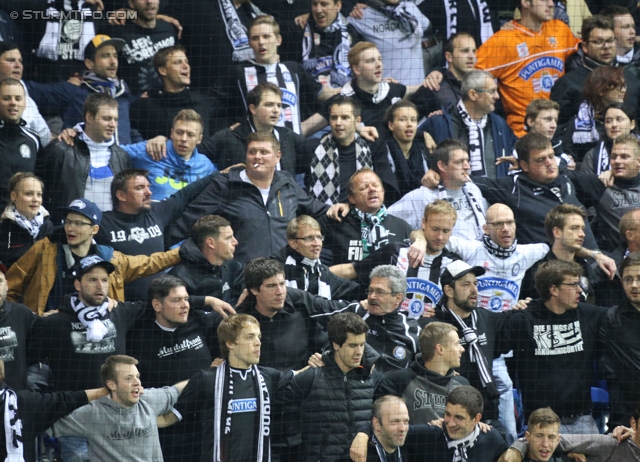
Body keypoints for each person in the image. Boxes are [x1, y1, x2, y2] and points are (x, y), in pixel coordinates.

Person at [167, 132, 346, 262]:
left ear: (277, 156)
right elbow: (189, 220)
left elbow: (316, 208)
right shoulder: (225, 184)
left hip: (285, 277)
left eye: (263, 152)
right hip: (242, 277)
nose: (257, 157)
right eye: (252, 152)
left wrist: (339, 207)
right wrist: (160, 246)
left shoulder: (287, 183)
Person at [163, 313, 301, 461]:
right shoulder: (207, 379)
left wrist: (319, 361)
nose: (258, 342)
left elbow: (300, 375)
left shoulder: (268, 376)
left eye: (258, 337)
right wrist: (137, 417)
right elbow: (169, 419)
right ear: (230, 343)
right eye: (250, 337)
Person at [6, 198, 180, 314]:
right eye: (68, 222)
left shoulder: (109, 258)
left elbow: (149, 263)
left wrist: (180, 253)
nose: (70, 228)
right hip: (50, 337)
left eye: (78, 223)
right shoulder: (44, 249)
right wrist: (29, 320)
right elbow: (10, 287)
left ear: (94, 230)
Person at [504, 260, 607, 432]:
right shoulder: (522, 319)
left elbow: (626, 316)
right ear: (553, 290)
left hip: (582, 420)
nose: (580, 290)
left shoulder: (589, 315)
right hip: (540, 423)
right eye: (573, 284)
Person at [95, 168, 215, 300]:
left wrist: (218, 174)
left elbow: (185, 194)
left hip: (158, 305)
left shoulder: (157, 212)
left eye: (148, 187)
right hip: (122, 307)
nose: (149, 192)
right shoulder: (102, 223)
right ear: (121, 195)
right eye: (140, 188)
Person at [331, 200, 462, 314]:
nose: (439, 237)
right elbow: (352, 270)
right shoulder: (395, 251)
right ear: (423, 223)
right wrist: (318, 272)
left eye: (445, 231)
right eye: (435, 229)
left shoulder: (454, 265)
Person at [51, 355, 187, 462]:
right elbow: (47, 425)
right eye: (129, 378)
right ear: (111, 385)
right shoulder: (92, 414)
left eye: (137, 377)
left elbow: (176, 390)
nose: (137, 382)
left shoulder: (148, 400)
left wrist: (206, 375)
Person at [472, 133, 598, 247]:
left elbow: (602, 182)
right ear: (525, 165)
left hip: (593, 263)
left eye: (551, 156)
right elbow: (468, 180)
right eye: (540, 160)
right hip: (549, 267)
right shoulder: (513, 187)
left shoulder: (565, 177)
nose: (549, 163)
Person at [475, 0, 580, 136]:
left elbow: (587, 53)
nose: (551, 4)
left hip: (560, 129)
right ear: (525, 2)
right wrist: (439, 73)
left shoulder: (559, 29)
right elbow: (469, 76)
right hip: (523, 135)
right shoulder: (503, 40)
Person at [293, 311, 380, 461]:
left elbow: (383, 419)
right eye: (352, 345)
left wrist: (365, 433)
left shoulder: (371, 378)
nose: (359, 352)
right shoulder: (311, 377)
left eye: (362, 344)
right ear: (336, 345)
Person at [351, 385, 509, 462]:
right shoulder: (430, 433)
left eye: (459, 418)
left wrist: (517, 449)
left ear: (476, 418)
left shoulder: (491, 438)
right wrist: (363, 434)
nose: (450, 423)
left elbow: (515, 451)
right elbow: (390, 430)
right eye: (447, 414)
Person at [25, 34, 135, 144]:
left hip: (122, 159)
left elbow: (131, 129)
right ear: (89, 63)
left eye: (115, 55)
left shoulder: (123, 90)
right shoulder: (75, 90)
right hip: (84, 158)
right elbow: (32, 90)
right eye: (105, 56)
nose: (113, 61)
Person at [223, 15, 324, 134]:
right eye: (255, 38)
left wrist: (304, 128)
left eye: (266, 36)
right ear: (249, 42)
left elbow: (332, 98)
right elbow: (211, 103)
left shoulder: (293, 69)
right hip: (257, 149)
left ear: (278, 40)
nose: (261, 42)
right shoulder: (238, 73)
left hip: (293, 149)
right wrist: (230, 128)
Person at [38, 93, 132, 215]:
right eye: (107, 118)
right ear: (89, 117)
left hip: (109, 229)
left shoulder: (121, 156)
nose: (113, 124)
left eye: (115, 119)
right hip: (71, 228)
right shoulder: (61, 149)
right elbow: (41, 189)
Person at [0, 359, 109, 462]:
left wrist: (106, 391)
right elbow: (66, 399)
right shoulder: (25, 401)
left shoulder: (24, 402)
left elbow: (67, 399)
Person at [419, 70, 517, 178]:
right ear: (473, 94)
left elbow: (517, 147)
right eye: (492, 91)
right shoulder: (438, 122)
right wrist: (423, 135)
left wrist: (520, 159)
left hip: (496, 193)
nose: (497, 96)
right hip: (450, 193)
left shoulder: (500, 124)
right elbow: (407, 138)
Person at [198, 82, 306, 176]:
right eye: (269, 105)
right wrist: (218, 176)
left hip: (283, 198)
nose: (276, 110)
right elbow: (193, 156)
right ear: (253, 109)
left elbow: (313, 154)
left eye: (279, 105)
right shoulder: (228, 136)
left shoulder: (288, 136)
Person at [389, 139, 487, 240]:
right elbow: (386, 220)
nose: (467, 166)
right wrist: (417, 237)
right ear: (442, 166)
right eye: (459, 162)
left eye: (467, 161)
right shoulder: (421, 196)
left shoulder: (473, 189)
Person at [306, 96, 397, 204]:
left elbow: (387, 187)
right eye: (334, 117)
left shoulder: (372, 147)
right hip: (322, 216)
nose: (338, 122)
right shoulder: (313, 148)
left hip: (361, 216)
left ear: (357, 121)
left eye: (344, 118)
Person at [374, 322, 469, 423]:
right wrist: (427, 430)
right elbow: (384, 426)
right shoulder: (398, 381)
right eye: (457, 344)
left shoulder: (462, 384)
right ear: (440, 349)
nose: (462, 349)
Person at [129, 45, 224, 140]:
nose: (186, 66)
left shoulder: (204, 101)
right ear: (163, 70)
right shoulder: (145, 106)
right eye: (178, 62)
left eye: (186, 62)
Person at [321, 167, 412, 265]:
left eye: (375, 185)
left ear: (383, 191)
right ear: (352, 198)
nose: (372, 189)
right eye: (364, 187)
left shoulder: (401, 226)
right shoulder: (337, 221)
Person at [123, 109, 215, 200]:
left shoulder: (206, 166)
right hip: (152, 213)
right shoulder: (152, 149)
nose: (183, 139)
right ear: (172, 133)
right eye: (179, 132)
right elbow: (115, 152)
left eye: (190, 135)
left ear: (199, 139)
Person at [272, 215, 361, 300]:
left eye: (319, 237)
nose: (317, 243)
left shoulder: (323, 272)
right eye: (309, 238)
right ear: (293, 243)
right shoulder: (274, 268)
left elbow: (356, 291)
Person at [551, 15, 618, 126]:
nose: (606, 46)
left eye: (610, 41)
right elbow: (556, 128)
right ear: (585, 47)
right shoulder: (567, 83)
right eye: (598, 41)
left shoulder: (630, 78)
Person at [346, 0, 431, 86]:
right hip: (388, 91)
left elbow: (429, 28)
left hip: (417, 89)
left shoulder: (409, 8)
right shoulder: (361, 16)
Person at [104, 0, 179, 96]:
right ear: (131, 3)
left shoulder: (169, 29)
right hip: (136, 103)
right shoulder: (117, 34)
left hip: (170, 98)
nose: (149, 1)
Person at [557, 65, 627, 162]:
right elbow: (570, 163)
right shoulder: (576, 125)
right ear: (601, 90)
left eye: (624, 86)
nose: (623, 90)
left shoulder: (627, 117)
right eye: (618, 86)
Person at [169, 215, 245, 304]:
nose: (235, 242)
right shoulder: (180, 277)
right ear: (211, 243)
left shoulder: (232, 265)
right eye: (228, 238)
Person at [410, 33, 477, 119]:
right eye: (465, 51)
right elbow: (407, 122)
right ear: (449, 57)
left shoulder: (479, 86)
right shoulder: (434, 86)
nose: (471, 56)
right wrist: (431, 125)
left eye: (474, 51)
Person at [298, 0, 360, 89]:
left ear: (338, 6)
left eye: (324, 4)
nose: (318, 10)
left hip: (343, 97)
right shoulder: (301, 29)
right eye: (315, 4)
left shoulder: (352, 34)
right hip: (309, 97)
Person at [0, 42, 51, 145]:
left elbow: (45, 138)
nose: (18, 65)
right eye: (11, 60)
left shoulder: (28, 101)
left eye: (20, 61)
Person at [0, 172, 54, 267]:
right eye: (28, 194)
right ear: (13, 196)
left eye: (39, 194)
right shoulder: (4, 228)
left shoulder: (48, 225)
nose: (35, 199)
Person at [0, 78, 40, 199]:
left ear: (25, 104)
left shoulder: (33, 139)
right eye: (6, 98)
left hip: (22, 213)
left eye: (18, 98)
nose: (13, 103)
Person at [382, 100, 430, 198]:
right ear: (391, 125)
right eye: (403, 120)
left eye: (413, 120)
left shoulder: (422, 150)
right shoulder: (383, 151)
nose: (409, 124)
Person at [581, 103, 638, 175]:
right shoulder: (592, 156)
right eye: (608, 121)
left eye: (619, 119)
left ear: (632, 124)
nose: (614, 125)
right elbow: (587, 184)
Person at [367, 395, 410, 461]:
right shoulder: (361, 456)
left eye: (406, 421)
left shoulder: (411, 446)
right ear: (376, 423)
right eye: (395, 421)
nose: (403, 429)